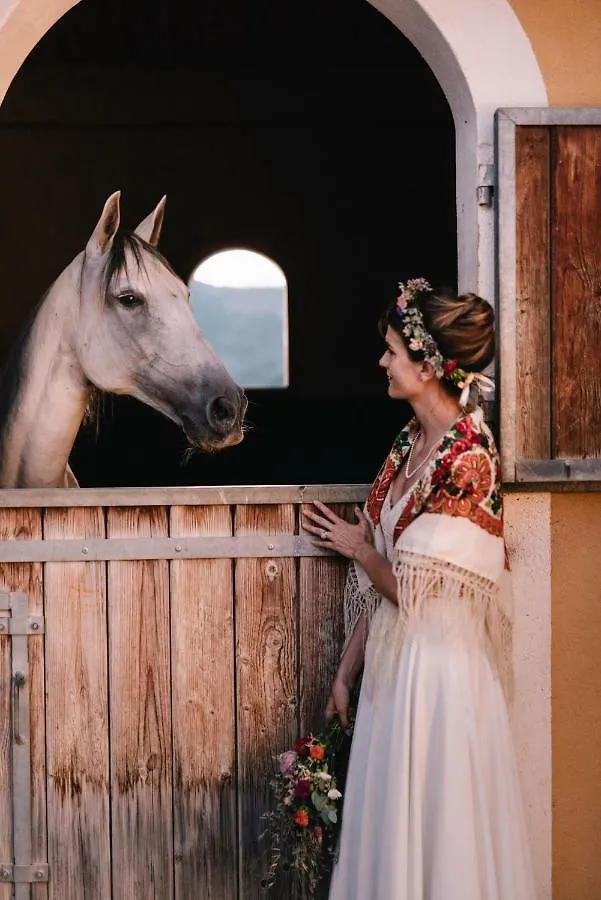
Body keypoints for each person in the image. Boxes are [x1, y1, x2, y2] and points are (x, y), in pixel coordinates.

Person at [303, 279, 536, 900]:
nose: (382, 362)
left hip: (439, 678)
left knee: (439, 830)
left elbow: (412, 587)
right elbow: (384, 570)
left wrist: (355, 547)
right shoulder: (409, 442)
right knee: (390, 833)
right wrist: (346, 672)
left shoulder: (468, 456)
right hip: (393, 672)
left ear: (429, 365)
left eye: (391, 351)